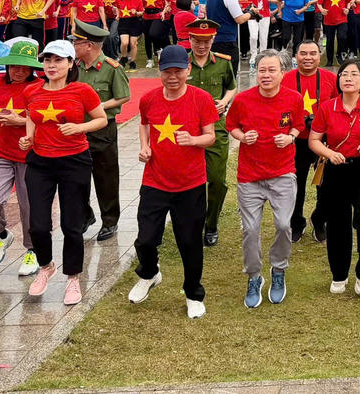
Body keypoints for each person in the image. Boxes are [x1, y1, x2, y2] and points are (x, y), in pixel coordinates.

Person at [129, 45, 217, 319]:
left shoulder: (201, 99)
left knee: (189, 243)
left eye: (178, 71)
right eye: (167, 72)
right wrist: (145, 147)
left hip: (190, 184)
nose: (173, 76)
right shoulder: (150, 99)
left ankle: (193, 293)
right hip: (155, 180)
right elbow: (144, 124)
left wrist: (193, 140)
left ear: (188, 70)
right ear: (160, 72)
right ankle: (149, 273)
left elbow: (211, 136)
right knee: (145, 239)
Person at [20, 40, 108, 305]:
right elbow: (30, 116)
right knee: (37, 224)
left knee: (71, 224)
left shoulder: (82, 90)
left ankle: (73, 278)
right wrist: (28, 138)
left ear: (71, 63)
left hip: (74, 162)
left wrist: (79, 128)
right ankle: (46, 266)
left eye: (58, 60)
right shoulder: (32, 91)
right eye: (47, 60)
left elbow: (101, 119)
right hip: (40, 162)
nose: (51, 65)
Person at [228, 49, 304, 308]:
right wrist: (242, 137)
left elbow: (298, 124)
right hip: (249, 176)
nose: (266, 75)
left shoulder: (293, 98)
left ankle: (279, 270)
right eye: (262, 70)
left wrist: (290, 136)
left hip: (282, 174)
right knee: (250, 230)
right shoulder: (242, 100)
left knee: (284, 225)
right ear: (255, 73)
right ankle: (254, 276)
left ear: (283, 73)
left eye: (272, 70)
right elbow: (232, 126)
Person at [309, 60, 360, 295]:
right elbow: (314, 140)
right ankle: (339, 274)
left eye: (354, 74)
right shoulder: (327, 108)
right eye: (344, 74)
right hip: (336, 171)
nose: (348, 78)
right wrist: (330, 153)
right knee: (338, 225)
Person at [0, 40, 42, 276]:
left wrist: (20, 122)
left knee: (29, 206)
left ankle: (32, 250)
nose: (18, 71)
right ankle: (2, 235)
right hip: (0, 151)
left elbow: (44, 120)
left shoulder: (39, 87)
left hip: (30, 154)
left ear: (32, 69)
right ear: (7, 66)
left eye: (24, 67)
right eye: (14, 66)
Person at [70, 20, 130, 242]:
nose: (74, 45)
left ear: (90, 45)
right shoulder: (74, 67)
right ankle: (86, 215)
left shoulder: (111, 68)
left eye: (78, 42)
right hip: (77, 130)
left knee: (106, 177)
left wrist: (97, 107)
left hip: (103, 130)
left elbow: (124, 95)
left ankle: (109, 221)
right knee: (76, 178)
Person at [183, 19, 238, 247]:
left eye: (206, 41)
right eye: (197, 41)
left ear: (213, 39)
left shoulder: (223, 63)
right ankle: (191, 223)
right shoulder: (182, 62)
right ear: (190, 39)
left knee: (216, 180)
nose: (202, 46)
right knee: (188, 181)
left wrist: (224, 101)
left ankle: (211, 223)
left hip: (215, 128)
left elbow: (232, 86)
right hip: (186, 130)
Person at [280, 39, 338, 243]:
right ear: (296, 56)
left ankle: (319, 219)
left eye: (312, 53)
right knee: (295, 185)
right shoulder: (285, 79)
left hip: (323, 142)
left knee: (326, 184)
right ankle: (296, 223)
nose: (308, 57)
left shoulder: (331, 78)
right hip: (295, 142)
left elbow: (338, 108)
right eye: (303, 53)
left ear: (319, 56)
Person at [205, 0, 258, 75]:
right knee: (229, 74)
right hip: (226, 40)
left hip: (214, 39)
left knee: (217, 72)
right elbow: (240, 19)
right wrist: (251, 12)